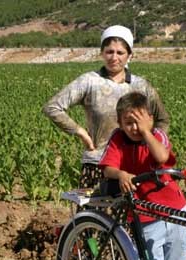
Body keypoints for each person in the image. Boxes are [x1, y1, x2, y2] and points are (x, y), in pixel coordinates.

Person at [43, 25, 169, 190]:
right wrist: (80, 132)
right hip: (97, 164)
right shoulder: (89, 81)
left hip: (134, 167)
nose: (114, 57)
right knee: (92, 215)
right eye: (109, 52)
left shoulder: (141, 86)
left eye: (120, 53)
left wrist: (153, 147)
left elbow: (162, 119)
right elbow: (52, 107)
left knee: (133, 216)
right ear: (102, 52)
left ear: (130, 55)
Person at [98, 91, 186, 260]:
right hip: (144, 214)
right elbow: (107, 168)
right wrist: (120, 174)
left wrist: (147, 133)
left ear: (151, 118)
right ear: (120, 124)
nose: (135, 128)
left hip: (175, 210)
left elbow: (162, 156)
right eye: (129, 122)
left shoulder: (157, 136)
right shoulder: (118, 139)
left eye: (140, 121)